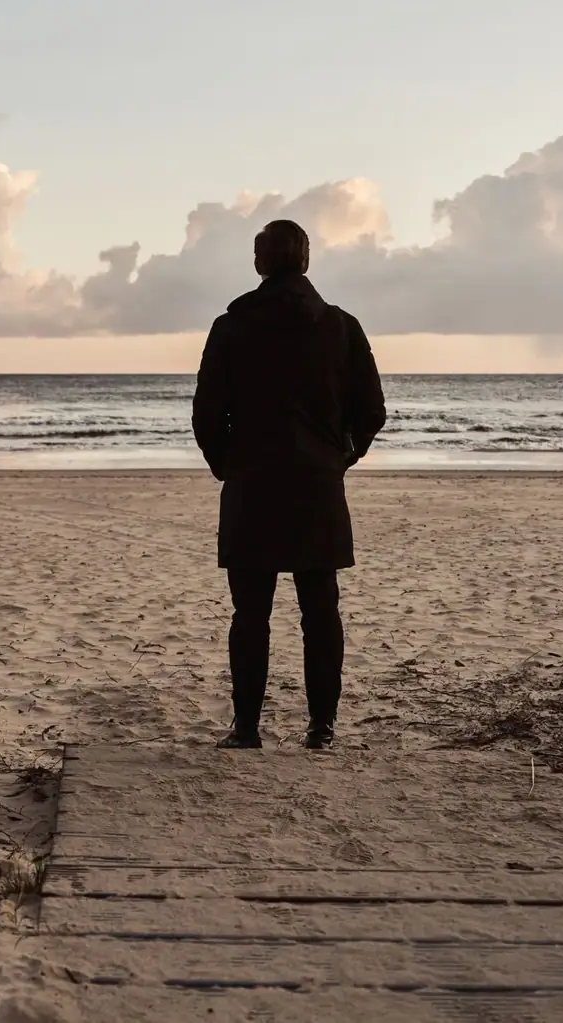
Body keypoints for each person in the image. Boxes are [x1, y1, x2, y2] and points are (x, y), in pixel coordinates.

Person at [192, 219, 386, 750]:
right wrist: (340, 458)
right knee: (321, 610)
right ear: (306, 260)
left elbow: (207, 414)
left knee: (250, 613)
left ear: (258, 263)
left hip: (252, 484)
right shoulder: (341, 326)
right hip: (317, 486)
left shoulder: (230, 327)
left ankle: (247, 728)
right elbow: (372, 411)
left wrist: (225, 464)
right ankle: (322, 728)